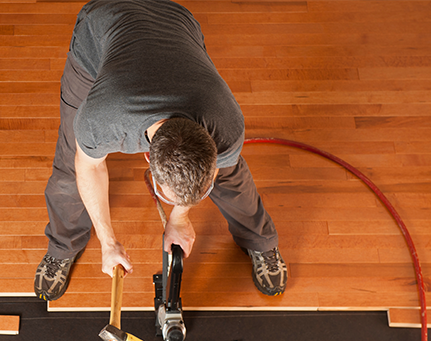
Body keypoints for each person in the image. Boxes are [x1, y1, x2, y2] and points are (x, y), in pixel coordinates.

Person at [34, 0, 287, 302]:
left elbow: (212, 171)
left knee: (232, 174)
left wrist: (179, 219)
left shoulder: (224, 121)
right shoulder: (102, 118)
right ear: (146, 156)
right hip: (102, 26)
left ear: (210, 142)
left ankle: (261, 240)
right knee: (69, 166)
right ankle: (62, 246)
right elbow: (88, 167)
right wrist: (107, 241)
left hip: (173, 19)